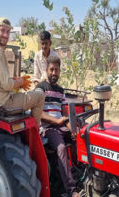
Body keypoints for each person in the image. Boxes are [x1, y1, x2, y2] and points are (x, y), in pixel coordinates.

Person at [0, 17, 45, 127]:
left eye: (8, 32)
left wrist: (15, 81)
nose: (5, 35)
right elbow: (6, 85)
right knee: (40, 96)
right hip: (5, 102)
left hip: (0, 99)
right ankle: (36, 133)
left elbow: (1, 81)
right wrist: (21, 82)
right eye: (2, 31)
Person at [35, 55, 79, 197]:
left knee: (81, 137)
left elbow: (64, 112)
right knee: (60, 147)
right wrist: (57, 121)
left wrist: (71, 127)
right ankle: (71, 190)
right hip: (47, 128)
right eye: (51, 70)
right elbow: (38, 113)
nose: (54, 73)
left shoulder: (60, 91)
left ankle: (83, 176)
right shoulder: (40, 88)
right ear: (46, 70)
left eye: (57, 70)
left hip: (61, 126)